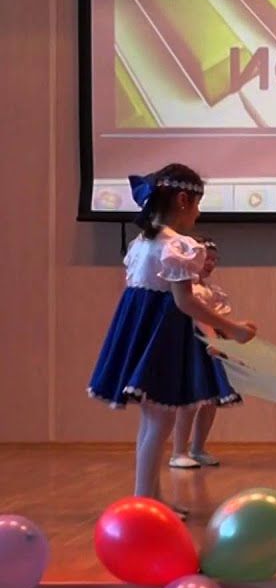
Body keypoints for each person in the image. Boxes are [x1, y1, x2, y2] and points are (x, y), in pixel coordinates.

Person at [87, 164, 256, 516]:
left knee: (153, 421)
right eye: (197, 204)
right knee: (159, 421)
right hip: (161, 335)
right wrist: (233, 328)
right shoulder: (179, 245)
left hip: (143, 329)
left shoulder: (142, 242)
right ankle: (143, 502)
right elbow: (185, 301)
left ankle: (150, 496)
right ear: (182, 200)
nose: (198, 213)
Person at [168, 236, 240, 469]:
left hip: (211, 345)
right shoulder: (189, 290)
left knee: (210, 400)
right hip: (193, 346)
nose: (211, 264)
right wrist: (213, 338)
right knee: (190, 400)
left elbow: (218, 321)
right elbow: (199, 317)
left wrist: (232, 344)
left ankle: (198, 448)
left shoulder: (211, 291)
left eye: (214, 260)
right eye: (207, 259)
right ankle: (178, 451)